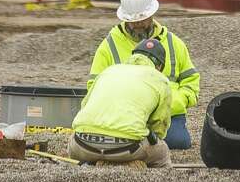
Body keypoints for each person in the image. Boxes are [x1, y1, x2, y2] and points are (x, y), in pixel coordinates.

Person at [88, 0, 199, 150]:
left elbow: (191, 81)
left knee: (178, 143)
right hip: (125, 116)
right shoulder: (108, 47)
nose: (138, 23)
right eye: (133, 21)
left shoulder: (174, 43)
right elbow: (93, 86)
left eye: (142, 18)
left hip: (168, 114)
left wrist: (176, 101)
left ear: (152, 14)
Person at [70, 37, 172, 168]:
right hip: (127, 149)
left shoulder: (109, 71)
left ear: (133, 56)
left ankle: (95, 162)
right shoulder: (160, 79)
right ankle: (127, 165)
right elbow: (159, 125)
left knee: (75, 142)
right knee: (162, 152)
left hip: (80, 146)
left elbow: (84, 105)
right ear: (159, 66)